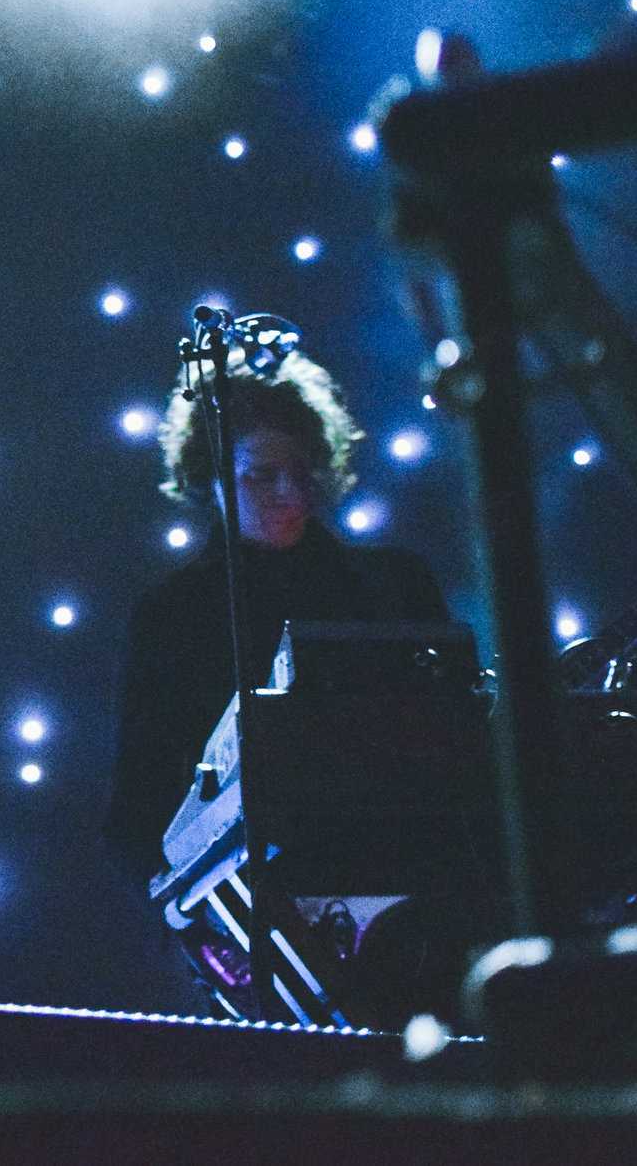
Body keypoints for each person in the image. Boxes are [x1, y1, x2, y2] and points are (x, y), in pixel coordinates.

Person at [101, 348, 462, 1018]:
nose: (291, 495)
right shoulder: (175, 614)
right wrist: (202, 931)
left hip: (421, 911)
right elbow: (136, 811)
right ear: (211, 479)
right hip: (265, 939)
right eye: (261, 477)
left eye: (299, 473)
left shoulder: (393, 584)